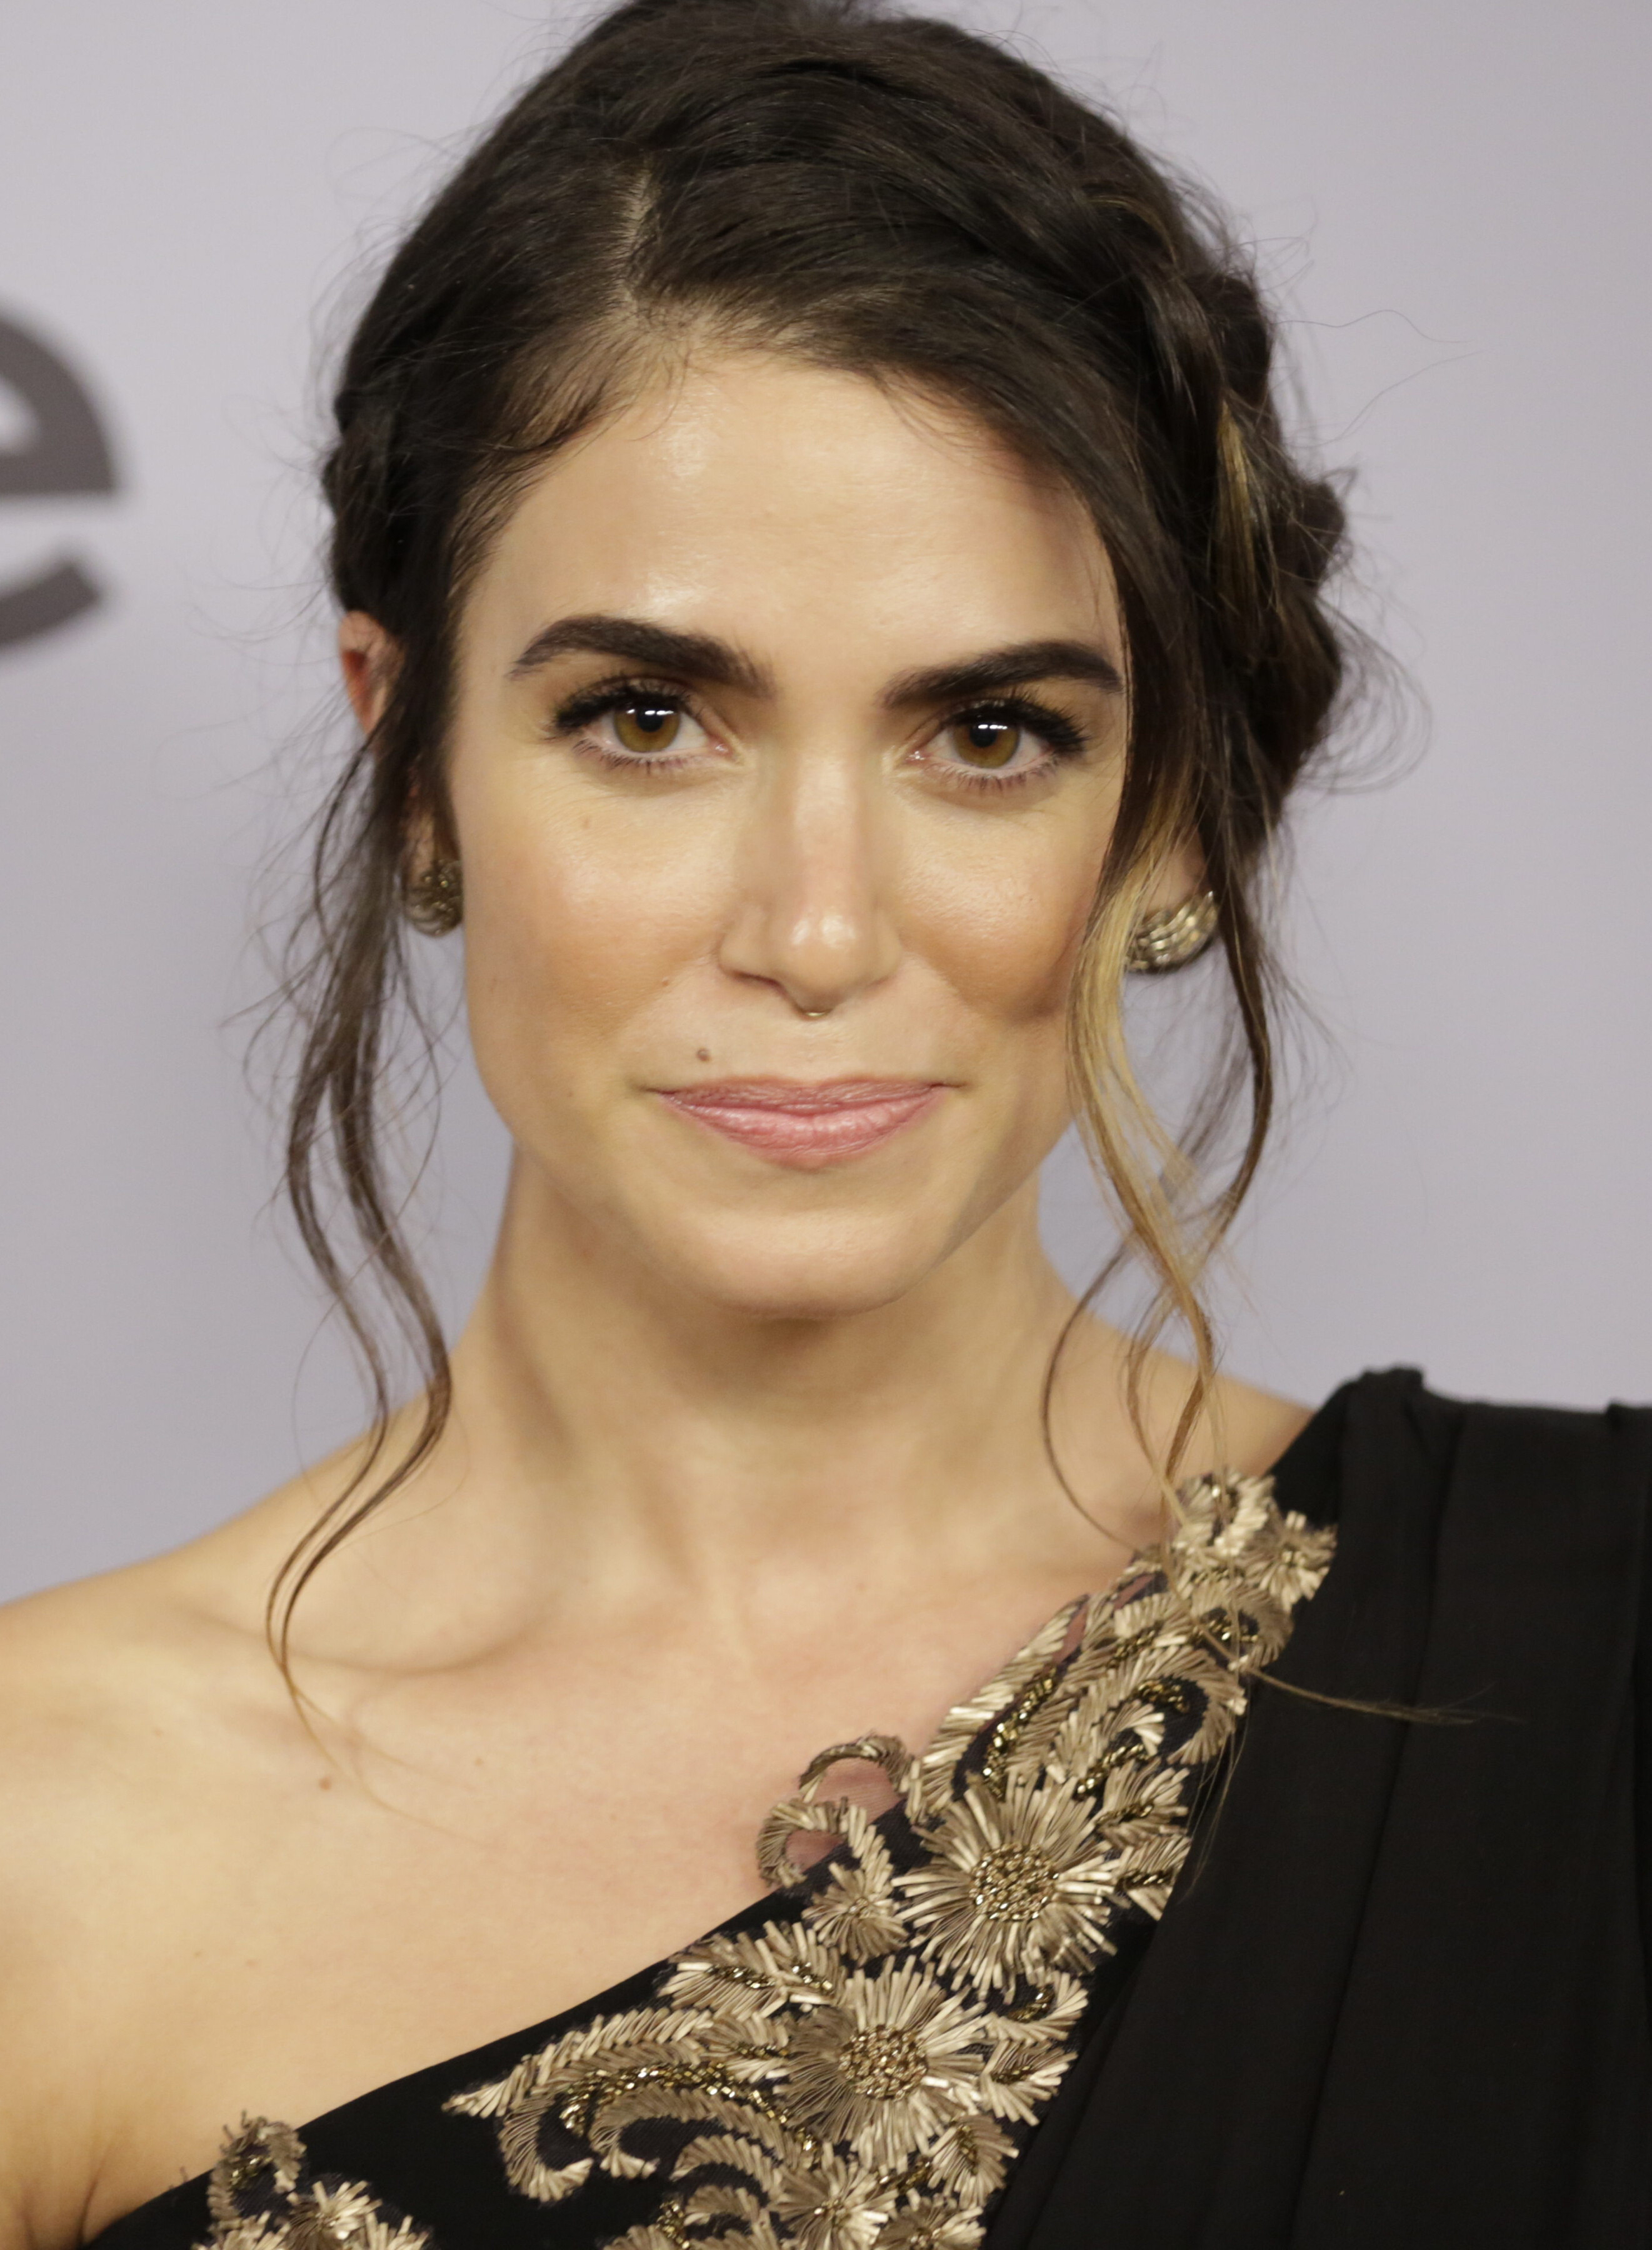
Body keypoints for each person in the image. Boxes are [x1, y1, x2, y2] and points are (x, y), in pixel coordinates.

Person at [1, 1, 1646, 2244]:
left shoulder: (1591, 1642)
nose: (814, 929)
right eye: (644, 718)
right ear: (413, 767)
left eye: (988, 735)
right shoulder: (48, 1833)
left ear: (1172, 815)